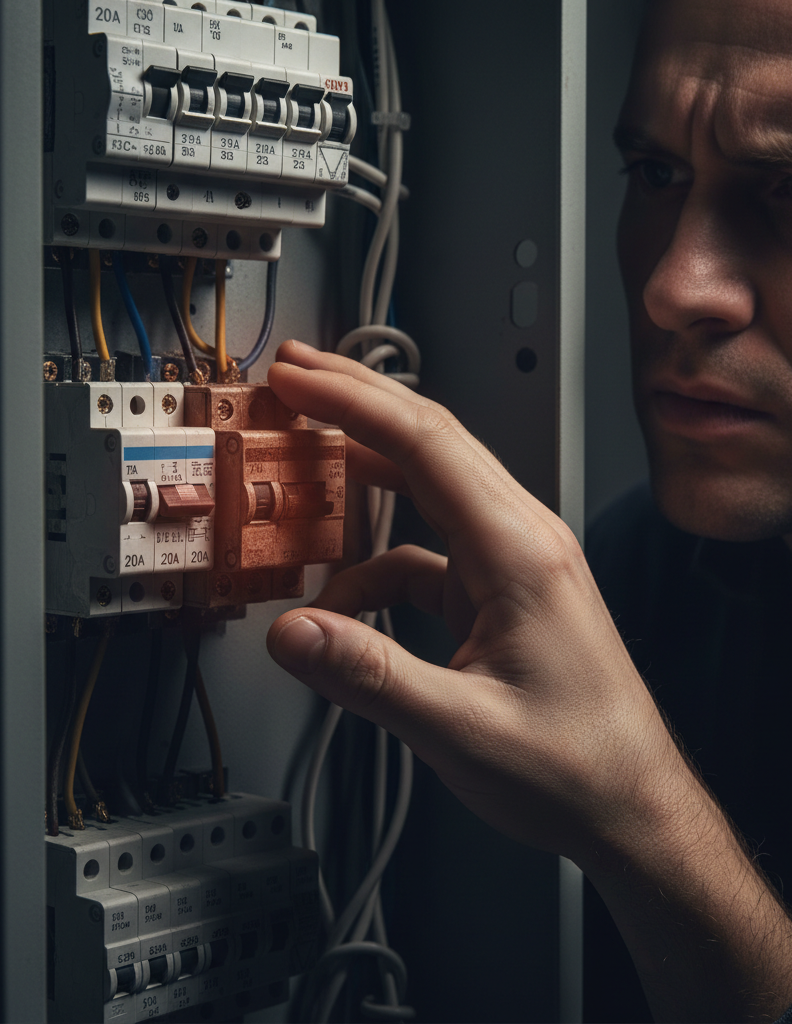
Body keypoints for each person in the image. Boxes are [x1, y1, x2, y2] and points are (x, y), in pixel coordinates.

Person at [265, 0, 792, 1019]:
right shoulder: (635, 576)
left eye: (787, 188)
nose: (673, 286)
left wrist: (644, 824)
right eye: (655, 173)